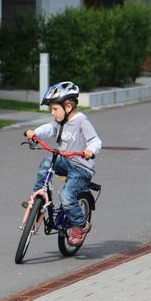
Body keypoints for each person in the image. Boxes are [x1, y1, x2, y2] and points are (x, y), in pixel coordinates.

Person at [24, 81, 102, 246]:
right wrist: (34, 133)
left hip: (81, 168)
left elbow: (95, 140)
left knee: (67, 197)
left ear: (68, 107)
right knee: (47, 162)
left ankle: (81, 225)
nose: (53, 113)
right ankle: (38, 194)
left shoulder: (81, 121)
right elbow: (49, 128)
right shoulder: (60, 122)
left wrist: (91, 151)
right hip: (66, 162)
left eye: (54, 109)